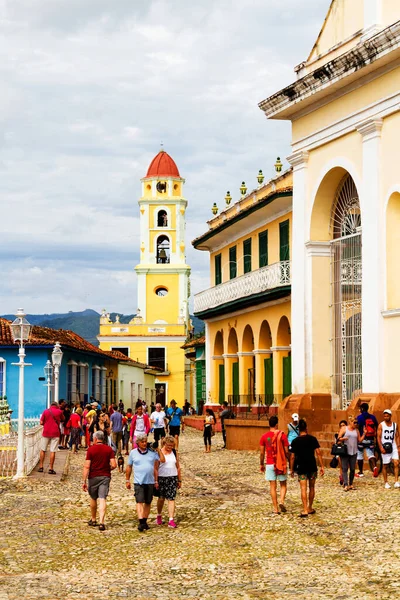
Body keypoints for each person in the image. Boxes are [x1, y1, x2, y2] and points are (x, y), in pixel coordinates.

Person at [125, 434, 165, 532]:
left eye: (145, 442)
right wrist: (127, 480)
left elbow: (162, 460)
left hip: (150, 481)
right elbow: (129, 466)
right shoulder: (133, 453)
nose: (144, 444)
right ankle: (141, 522)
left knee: (148, 502)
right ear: (137, 443)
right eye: (142, 442)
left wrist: (158, 449)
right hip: (138, 481)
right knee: (139, 501)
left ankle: (144, 520)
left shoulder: (152, 452)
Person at [82, 430, 116, 531]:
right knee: (102, 498)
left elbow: (87, 466)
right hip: (105, 476)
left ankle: (93, 519)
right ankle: (101, 522)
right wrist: (107, 469)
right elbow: (114, 465)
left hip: (93, 476)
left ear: (95, 439)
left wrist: (84, 481)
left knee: (93, 498)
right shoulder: (109, 449)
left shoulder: (91, 450)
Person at [290, 419, 324, 517]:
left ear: (298, 429)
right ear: (306, 428)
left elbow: (292, 457)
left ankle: (304, 509)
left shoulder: (295, 441)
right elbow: (318, 453)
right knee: (312, 487)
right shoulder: (312, 439)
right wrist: (322, 466)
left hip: (301, 467)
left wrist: (291, 469)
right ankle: (310, 507)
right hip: (312, 466)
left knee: (303, 488)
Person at [259, 415, 289, 515]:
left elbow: (262, 453)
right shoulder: (282, 435)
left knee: (272, 486)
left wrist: (261, 464)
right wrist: (288, 459)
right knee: (283, 484)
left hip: (269, 463)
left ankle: (275, 508)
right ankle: (282, 501)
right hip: (280, 462)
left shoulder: (264, 436)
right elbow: (286, 450)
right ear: (277, 424)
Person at [156, 436, 182, 528]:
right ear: (164, 444)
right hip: (162, 478)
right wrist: (156, 481)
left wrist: (179, 479)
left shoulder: (174, 452)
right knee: (161, 498)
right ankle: (159, 514)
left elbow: (178, 466)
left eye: (172, 446)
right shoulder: (159, 453)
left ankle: (171, 519)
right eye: (168, 445)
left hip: (172, 477)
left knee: (171, 498)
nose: (170, 447)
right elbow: (155, 468)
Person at [337, 416, 363, 491]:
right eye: (354, 422)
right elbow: (339, 438)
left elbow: (359, 440)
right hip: (345, 451)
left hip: (354, 451)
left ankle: (351, 483)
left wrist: (364, 434)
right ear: (350, 422)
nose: (356, 424)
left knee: (352, 469)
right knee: (344, 468)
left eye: (356, 423)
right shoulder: (344, 429)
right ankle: (346, 484)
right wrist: (344, 439)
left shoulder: (356, 430)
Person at [38, 401, 64, 474]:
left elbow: (41, 422)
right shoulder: (59, 411)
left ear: (50, 405)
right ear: (57, 406)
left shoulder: (45, 411)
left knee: (43, 449)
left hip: (46, 432)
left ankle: (41, 467)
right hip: (55, 433)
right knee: (53, 450)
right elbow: (63, 419)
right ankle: (51, 468)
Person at [377, 409, 400, 489]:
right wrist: (381, 447)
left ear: (390, 416)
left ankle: (396, 481)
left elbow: (397, 436)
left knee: (396, 463)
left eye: (387, 416)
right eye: (385, 416)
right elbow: (378, 437)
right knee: (385, 465)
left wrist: (398, 446)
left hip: (393, 445)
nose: (386, 417)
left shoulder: (395, 425)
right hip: (385, 445)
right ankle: (386, 482)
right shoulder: (381, 425)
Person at [356, 403, 378, 477]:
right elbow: (377, 426)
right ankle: (374, 467)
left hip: (361, 438)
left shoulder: (359, 417)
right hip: (370, 438)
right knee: (370, 455)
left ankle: (361, 472)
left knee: (360, 455)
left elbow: (357, 427)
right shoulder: (373, 417)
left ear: (362, 409)